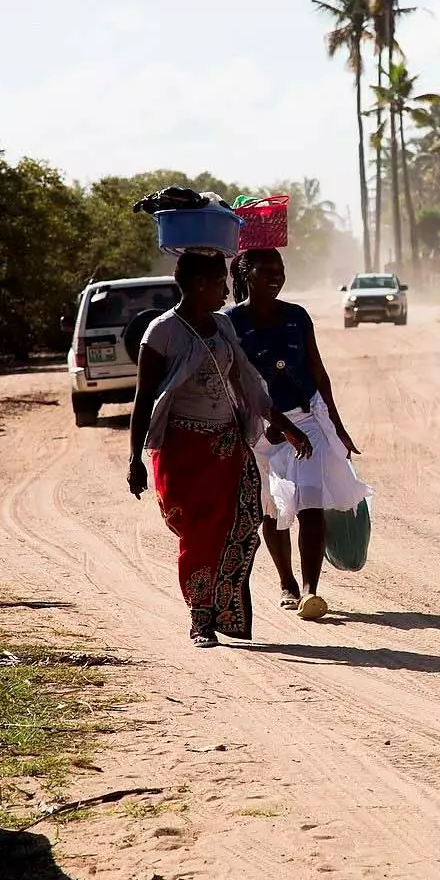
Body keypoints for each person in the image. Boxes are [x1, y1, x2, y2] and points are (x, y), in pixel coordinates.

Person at [128, 251, 312, 648]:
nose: (226, 291)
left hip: (229, 446)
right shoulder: (161, 334)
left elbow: (248, 385)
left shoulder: (224, 326)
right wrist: (134, 459)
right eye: (219, 284)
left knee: (244, 524)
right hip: (182, 451)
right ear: (199, 285)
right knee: (199, 533)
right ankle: (201, 620)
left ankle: (224, 609)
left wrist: (289, 428)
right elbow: (144, 400)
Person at [229, 248, 370, 622]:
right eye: (267, 270)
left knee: (310, 500)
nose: (276, 276)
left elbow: (318, 374)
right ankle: (287, 583)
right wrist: (272, 427)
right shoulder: (230, 322)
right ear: (246, 274)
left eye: (281, 270)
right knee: (272, 509)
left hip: (307, 420)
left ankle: (311, 591)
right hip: (258, 426)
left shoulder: (296, 317)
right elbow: (238, 385)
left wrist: (337, 426)